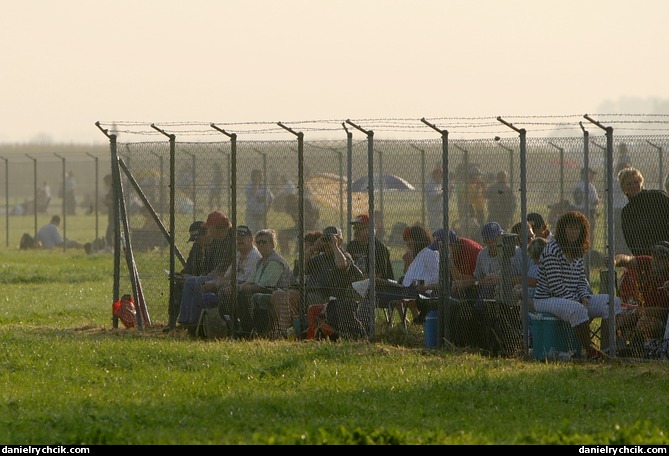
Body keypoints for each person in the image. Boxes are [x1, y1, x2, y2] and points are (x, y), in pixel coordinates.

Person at [533, 211, 623, 359]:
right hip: (546, 299)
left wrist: (584, 297)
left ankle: (607, 349)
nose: (573, 232)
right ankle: (590, 351)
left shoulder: (577, 251)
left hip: (576, 299)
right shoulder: (552, 250)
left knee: (613, 301)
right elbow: (556, 287)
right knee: (577, 309)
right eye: (570, 228)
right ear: (562, 229)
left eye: (577, 228)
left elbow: (582, 280)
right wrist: (579, 302)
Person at [177, 211, 236, 332]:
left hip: (229, 278)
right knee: (191, 281)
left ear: (215, 228)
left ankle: (193, 323)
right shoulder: (220, 239)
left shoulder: (230, 239)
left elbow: (225, 269)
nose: (208, 231)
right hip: (220, 275)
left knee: (196, 282)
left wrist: (208, 276)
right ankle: (184, 320)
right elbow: (219, 267)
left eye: (209, 228)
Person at [231, 229, 291, 337]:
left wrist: (241, 288)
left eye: (264, 242)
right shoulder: (261, 261)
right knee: (239, 293)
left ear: (272, 244)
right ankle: (242, 328)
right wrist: (238, 287)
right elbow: (251, 281)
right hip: (264, 291)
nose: (261, 245)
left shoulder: (275, 261)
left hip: (279, 293)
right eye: (258, 242)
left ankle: (251, 330)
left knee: (250, 295)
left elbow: (265, 286)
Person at [614, 241, 669, 356]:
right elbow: (628, 260)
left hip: (661, 322)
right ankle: (617, 351)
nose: (656, 261)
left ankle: (637, 353)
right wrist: (614, 260)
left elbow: (665, 312)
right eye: (655, 257)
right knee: (617, 316)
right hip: (641, 313)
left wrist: (640, 312)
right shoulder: (647, 263)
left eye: (661, 259)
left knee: (644, 323)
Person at [376, 225, 439, 322]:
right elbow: (408, 276)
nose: (409, 247)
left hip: (420, 291)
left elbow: (436, 276)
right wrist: (407, 263)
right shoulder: (419, 255)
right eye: (407, 245)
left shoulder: (429, 253)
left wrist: (425, 286)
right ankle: (408, 319)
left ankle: (413, 319)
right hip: (408, 289)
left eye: (410, 244)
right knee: (387, 287)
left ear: (418, 241)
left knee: (384, 293)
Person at [618, 166, 669, 257]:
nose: (633, 186)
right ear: (624, 188)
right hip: (644, 256)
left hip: (665, 252)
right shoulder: (627, 212)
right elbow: (630, 239)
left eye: (636, 182)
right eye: (629, 184)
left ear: (641, 182)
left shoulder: (657, 197)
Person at [346, 214, 394, 281]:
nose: (356, 231)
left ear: (370, 229)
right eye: (355, 228)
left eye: (360, 228)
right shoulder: (352, 245)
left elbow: (377, 275)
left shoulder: (378, 247)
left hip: (378, 288)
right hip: (357, 285)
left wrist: (355, 279)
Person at [572, 167, 600, 247]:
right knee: (589, 235)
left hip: (578, 211)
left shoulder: (576, 185)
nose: (593, 177)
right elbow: (595, 201)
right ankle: (589, 253)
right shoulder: (590, 186)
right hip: (589, 213)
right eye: (591, 174)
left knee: (579, 234)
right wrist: (600, 200)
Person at [244, 169, 274, 233]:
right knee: (251, 233)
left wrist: (267, 209)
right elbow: (253, 192)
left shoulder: (265, 187)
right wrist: (256, 183)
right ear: (253, 176)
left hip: (261, 215)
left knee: (262, 234)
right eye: (258, 176)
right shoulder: (249, 186)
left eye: (261, 176)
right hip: (251, 215)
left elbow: (271, 198)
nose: (261, 177)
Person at [612, 162, 632, 255]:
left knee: (624, 231)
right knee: (620, 231)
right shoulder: (617, 182)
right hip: (619, 209)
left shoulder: (614, 181)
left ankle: (623, 251)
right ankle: (620, 251)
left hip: (623, 208)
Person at [426, 165, 444, 233]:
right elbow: (434, 198)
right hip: (434, 214)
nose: (442, 177)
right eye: (440, 175)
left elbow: (445, 197)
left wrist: (449, 190)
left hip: (441, 214)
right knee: (435, 233)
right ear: (436, 175)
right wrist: (444, 192)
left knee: (442, 232)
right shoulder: (430, 185)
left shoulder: (439, 185)